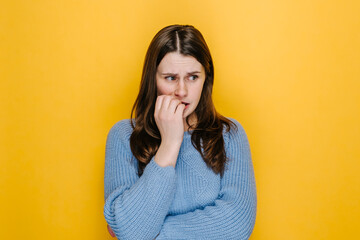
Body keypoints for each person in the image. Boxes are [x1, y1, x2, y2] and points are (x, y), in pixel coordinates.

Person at [103, 24, 257, 240]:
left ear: (206, 79)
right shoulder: (123, 137)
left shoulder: (230, 135)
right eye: (170, 78)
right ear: (152, 79)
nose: (182, 91)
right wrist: (170, 143)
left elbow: (237, 224)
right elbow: (129, 231)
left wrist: (150, 234)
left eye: (193, 77)